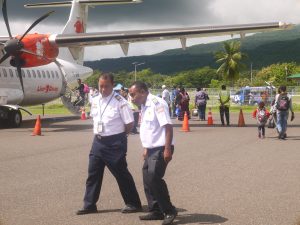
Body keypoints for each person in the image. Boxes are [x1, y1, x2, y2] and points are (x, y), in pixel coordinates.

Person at [76, 73, 142, 215]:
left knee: (121, 174)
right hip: (98, 141)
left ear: (113, 85)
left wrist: (120, 137)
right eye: (101, 86)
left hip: (115, 142)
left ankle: (133, 203)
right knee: (93, 174)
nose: (103, 89)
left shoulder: (120, 101)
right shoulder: (95, 100)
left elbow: (130, 123)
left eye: (106, 86)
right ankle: (89, 205)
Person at [129, 81, 177, 225]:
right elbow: (148, 129)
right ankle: (156, 210)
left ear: (143, 91)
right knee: (147, 177)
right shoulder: (144, 105)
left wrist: (167, 149)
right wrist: (145, 148)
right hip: (151, 149)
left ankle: (169, 210)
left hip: (161, 147)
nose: (132, 97)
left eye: (133, 94)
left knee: (154, 178)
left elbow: (168, 127)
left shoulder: (157, 103)